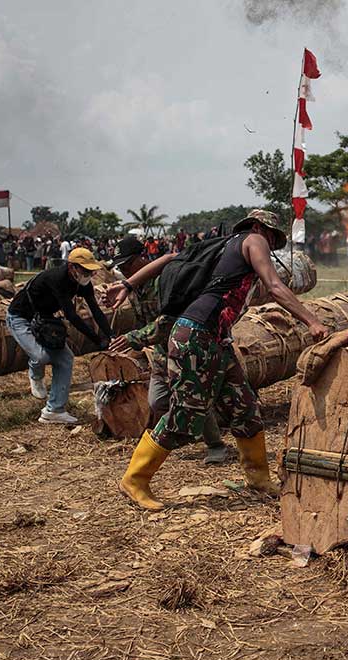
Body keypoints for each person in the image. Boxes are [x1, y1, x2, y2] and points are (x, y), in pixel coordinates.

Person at [106, 210, 330, 510]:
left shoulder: (219, 246)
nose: (271, 245)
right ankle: (135, 479)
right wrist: (312, 322)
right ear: (262, 228)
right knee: (184, 415)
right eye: (273, 238)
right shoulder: (254, 239)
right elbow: (276, 287)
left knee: (244, 407)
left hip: (215, 340)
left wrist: (129, 284)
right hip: (194, 337)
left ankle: (258, 477)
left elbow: (169, 258)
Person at [106, 236, 231, 465]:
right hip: (162, 353)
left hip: (184, 348)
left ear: (141, 258)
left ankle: (216, 445)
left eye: (127, 265)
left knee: (193, 398)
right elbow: (146, 320)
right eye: (121, 267)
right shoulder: (135, 289)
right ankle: (184, 431)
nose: (124, 271)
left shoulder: (166, 279)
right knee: (157, 401)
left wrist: (134, 338)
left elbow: (168, 322)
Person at [6, 248, 114, 424]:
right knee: (41, 356)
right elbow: (72, 316)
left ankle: (54, 410)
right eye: (85, 271)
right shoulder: (57, 279)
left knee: (65, 359)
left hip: (44, 319)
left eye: (91, 271)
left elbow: (95, 310)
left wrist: (110, 335)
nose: (89, 274)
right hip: (20, 318)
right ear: (72, 267)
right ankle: (35, 373)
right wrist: (97, 340)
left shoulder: (83, 284)